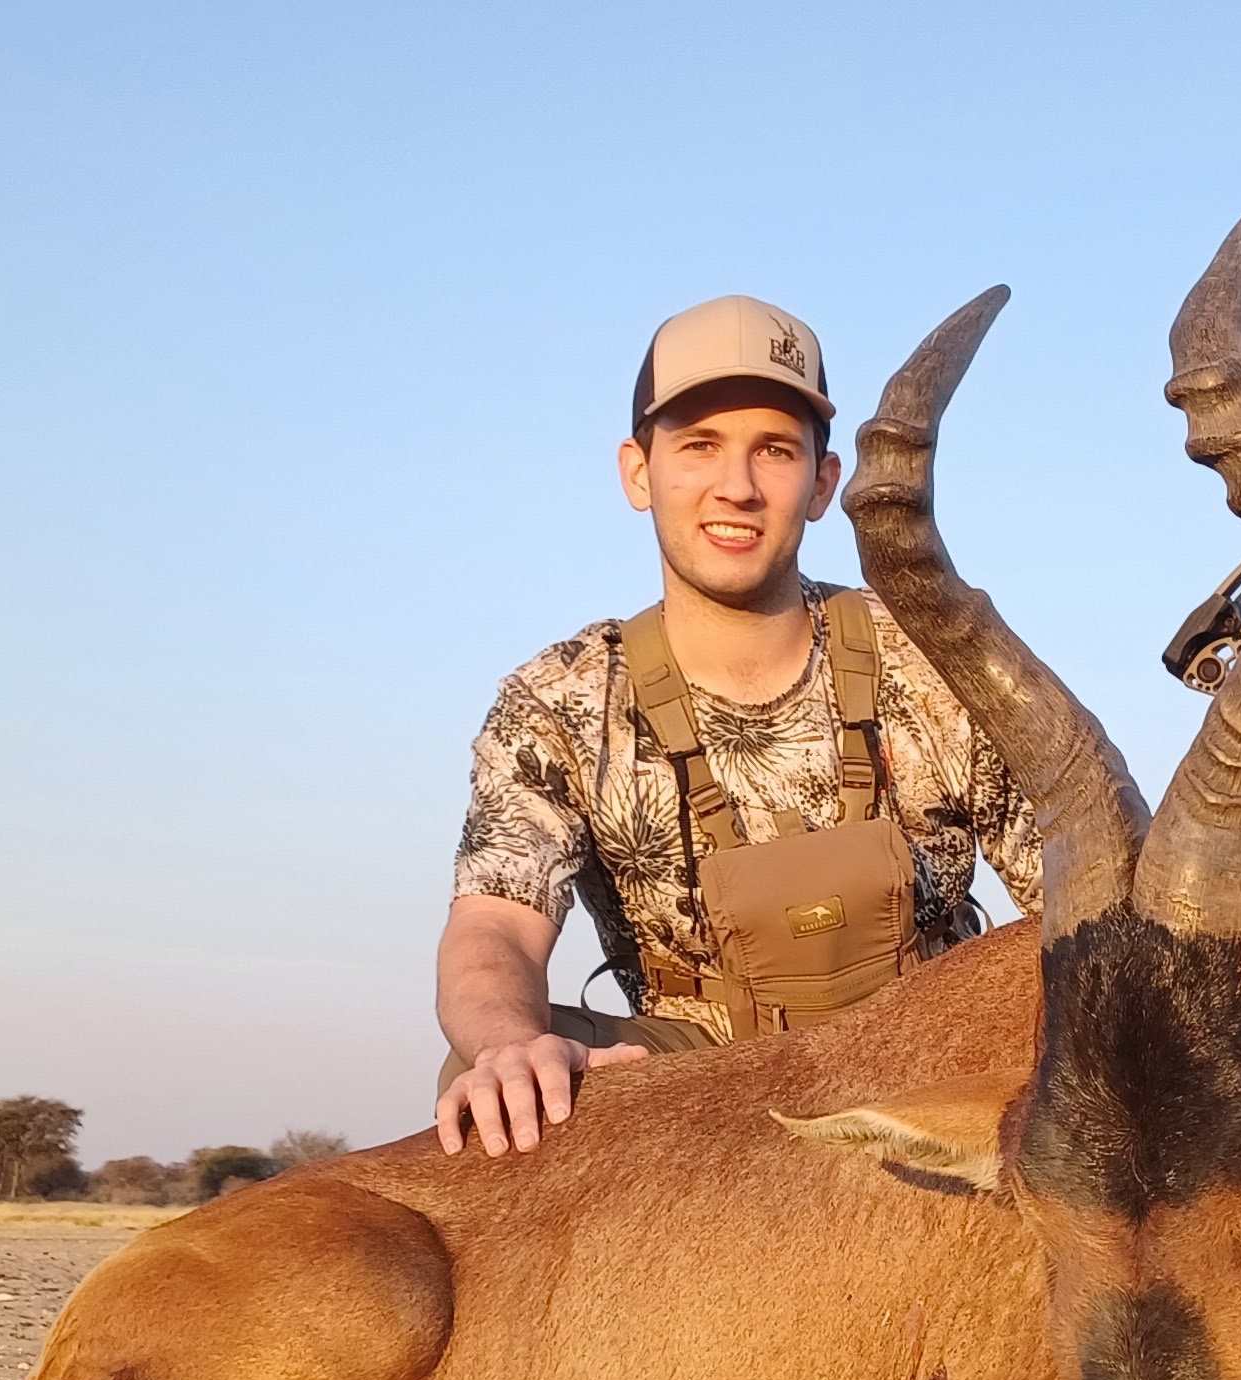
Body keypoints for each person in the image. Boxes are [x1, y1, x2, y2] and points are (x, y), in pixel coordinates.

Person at [434, 296, 1040, 1156]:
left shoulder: (938, 655)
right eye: (699, 445)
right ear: (637, 472)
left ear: (824, 483)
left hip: (941, 1067)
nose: (738, 487)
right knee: (493, 1090)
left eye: (776, 450)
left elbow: (1074, 894)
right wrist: (505, 1043)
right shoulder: (560, 702)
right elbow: (495, 924)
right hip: (696, 1087)